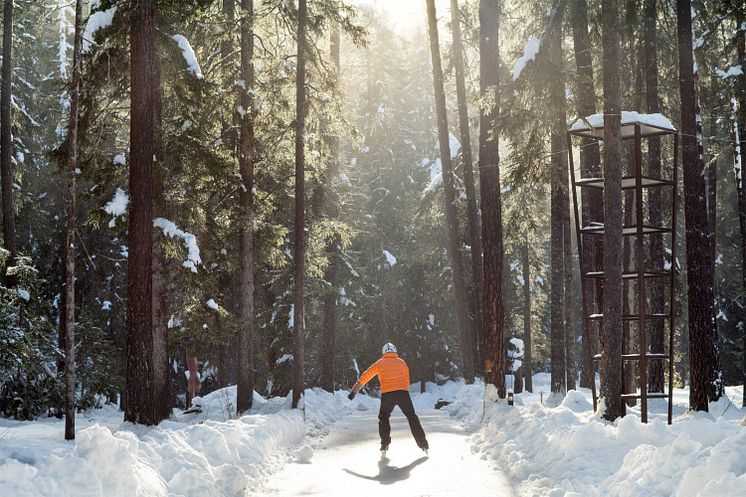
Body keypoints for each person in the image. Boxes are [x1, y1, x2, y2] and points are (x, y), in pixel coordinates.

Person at [348, 343, 429, 455]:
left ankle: (384, 444)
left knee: (384, 417)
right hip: (402, 393)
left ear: (383, 352)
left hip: (388, 395)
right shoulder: (402, 362)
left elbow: (366, 376)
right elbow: (407, 379)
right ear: (395, 351)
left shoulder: (380, 363)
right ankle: (423, 443)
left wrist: (354, 391)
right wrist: (403, 390)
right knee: (412, 417)